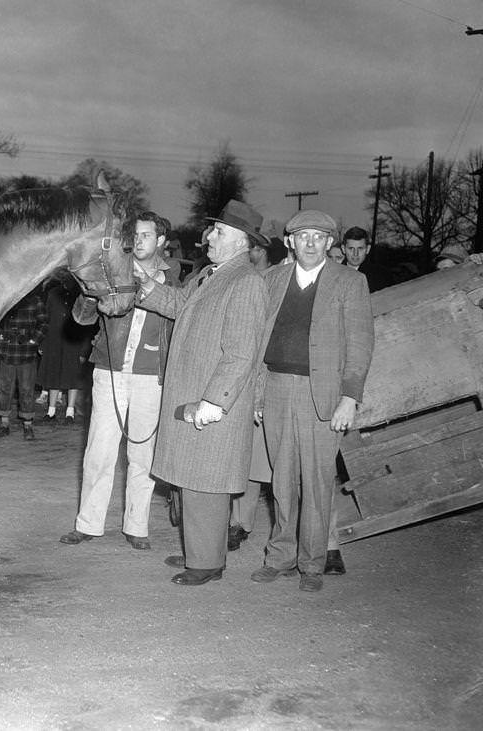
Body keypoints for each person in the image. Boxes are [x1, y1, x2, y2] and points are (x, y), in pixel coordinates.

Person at [136, 200, 268, 584]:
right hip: (190, 390)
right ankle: (201, 552)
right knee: (191, 480)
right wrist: (146, 285)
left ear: (242, 243)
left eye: (219, 232)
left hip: (213, 399)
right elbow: (180, 303)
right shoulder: (210, 275)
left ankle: (207, 564)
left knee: (206, 482)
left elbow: (242, 353)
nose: (208, 236)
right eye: (213, 229)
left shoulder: (246, 283)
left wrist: (214, 402)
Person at [252, 210, 374, 592]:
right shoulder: (271, 279)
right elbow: (257, 341)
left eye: (318, 237)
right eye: (302, 235)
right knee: (282, 480)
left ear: (329, 244)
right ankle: (281, 557)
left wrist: (349, 398)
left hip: (320, 395)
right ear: (290, 241)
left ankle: (312, 565)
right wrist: (257, 393)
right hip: (275, 388)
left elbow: (360, 345)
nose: (309, 242)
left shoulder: (349, 282)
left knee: (318, 482)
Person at [59, 211, 177, 551]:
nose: (138, 241)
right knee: (99, 449)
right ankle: (89, 523)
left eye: (145, 235)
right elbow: (81, 319)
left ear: (161, 242)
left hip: (150, 375)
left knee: (143, 454)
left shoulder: (177, 279)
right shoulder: (113, 269)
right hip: (109, 369)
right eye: (134, 236)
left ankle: (136, 526)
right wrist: (89, 288)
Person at [227, 228, 287, 551]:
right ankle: (240, 522)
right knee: (248, 460)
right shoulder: (242, 277)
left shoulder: (277, 277)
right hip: (249, 373)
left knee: (278, 464)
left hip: (276, 376)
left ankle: (285, 533)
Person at [37, 272, 95, 424]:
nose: (66, 280)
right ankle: (51, 412)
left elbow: (86, 325)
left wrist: (84, 350)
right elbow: (46, 320)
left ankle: (70, 412)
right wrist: (43, 343)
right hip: (54, 342)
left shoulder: (81, 295)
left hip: (73, 342)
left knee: (73, 378)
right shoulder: (53, 294)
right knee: (53, 376)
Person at [0, 288, 48, 440]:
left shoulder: (36, 301)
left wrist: (34, 340)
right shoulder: (7, 297)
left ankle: (28, 425)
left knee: (26, 389)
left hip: (27, 353)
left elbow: (44, 324)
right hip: (7, 352)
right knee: (5, 388)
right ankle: (4, 424)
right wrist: (0, 336)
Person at [342, 226, 390, 292]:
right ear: (343, 249)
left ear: (368, 249)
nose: (355, 253)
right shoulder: (332, 275)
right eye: (351, 248)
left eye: (360, 248)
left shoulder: (382, 276)